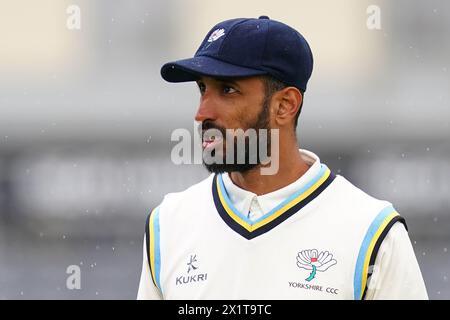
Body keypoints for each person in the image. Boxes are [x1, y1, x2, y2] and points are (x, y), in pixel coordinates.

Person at [137, 16, 428, 299]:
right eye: (202, 89)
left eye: (227, 90)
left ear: (285, 105)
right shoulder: (168, 224)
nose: (202, 113)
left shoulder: (372, 230)